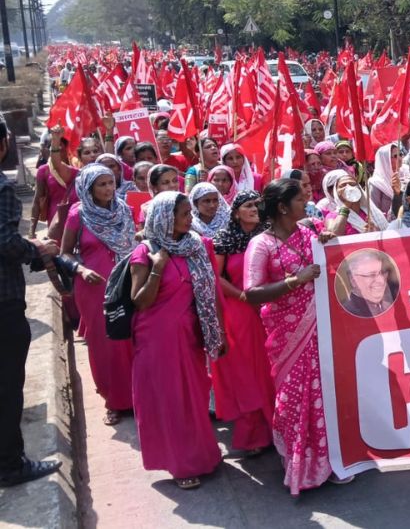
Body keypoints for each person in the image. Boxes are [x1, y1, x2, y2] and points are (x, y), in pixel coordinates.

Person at [244, 179, 343, 493]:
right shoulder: (262, 244)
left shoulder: (310, 232)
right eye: (300, 199)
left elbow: (336, 245)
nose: (307, 202)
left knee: (326, 394)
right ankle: (300, 465)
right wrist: (293, 282)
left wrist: (329, 237)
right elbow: (252, 292)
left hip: (321, 328)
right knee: (294, 398)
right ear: (283, 207)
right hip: (287, 335)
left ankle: (330, 462)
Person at [128, 192, 225, 489]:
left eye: (188, 213)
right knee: (172, 401)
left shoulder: (196, 245)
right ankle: (181, 465)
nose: (189, 219)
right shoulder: (145, 253)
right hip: (158, 341)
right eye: (183, 214)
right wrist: (158, 267)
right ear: (164, 217)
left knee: (194, 398)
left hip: (191, 336)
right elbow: (140, 301)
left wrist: (217, 332)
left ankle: (204, 456)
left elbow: (211, 291)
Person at [0, 122, 64, 487]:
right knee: (7, 385)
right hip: (3, 300)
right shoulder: (3, 188)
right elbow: (5, 242)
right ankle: (10, 464)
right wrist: (36, 249)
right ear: (4, 143)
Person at [61, 164, 136, 427]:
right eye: (101, 184)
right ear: (89, 188)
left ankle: (136, 397)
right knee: (104, 345)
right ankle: (113, 401)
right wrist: (80, 270)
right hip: (94, 288)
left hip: (126, 283)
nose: (108, 188)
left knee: (130, 341)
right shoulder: (78, 215)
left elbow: (132, 245)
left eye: (110, 183)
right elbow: (65, 253)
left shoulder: (124, 210)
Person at [210, 191, 274, 456]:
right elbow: (216, 278)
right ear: (236, 212)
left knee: (269, 372)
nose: (254, 208)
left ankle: (275, 429)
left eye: (257, 204)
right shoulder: (224, 239)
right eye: (248, 205)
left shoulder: (269, 236)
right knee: (247, 374)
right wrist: (244, 296)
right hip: (239, 312)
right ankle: (253, 436)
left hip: (268, 309)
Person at [339, 251, 398, 317]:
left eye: (383, 273)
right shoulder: (345, 313)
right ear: (354, 281)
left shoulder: (389, 306)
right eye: (371, 275)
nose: (381, 281)